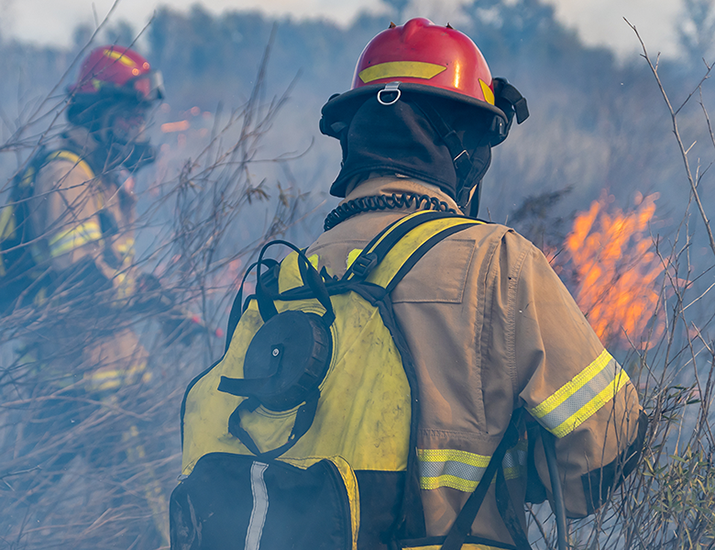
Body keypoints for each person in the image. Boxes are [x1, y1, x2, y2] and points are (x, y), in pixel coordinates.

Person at [173, 19, 646, 550]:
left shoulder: (285, 279)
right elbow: (612, 437)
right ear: (466, 146)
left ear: (357, 137)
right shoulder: (497, 264)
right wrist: (520, 476)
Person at [0, 44, 174, 539]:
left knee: (21, 493)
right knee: (153, 502)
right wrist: (140, 293)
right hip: (86, 377)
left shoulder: (104, 176)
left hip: (98, 370)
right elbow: (84, 279)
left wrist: (150, 293)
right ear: (97, 110)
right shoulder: (65, 174)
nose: (138, 127)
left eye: (141, 116)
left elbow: (110, 271)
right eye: (129, 115)